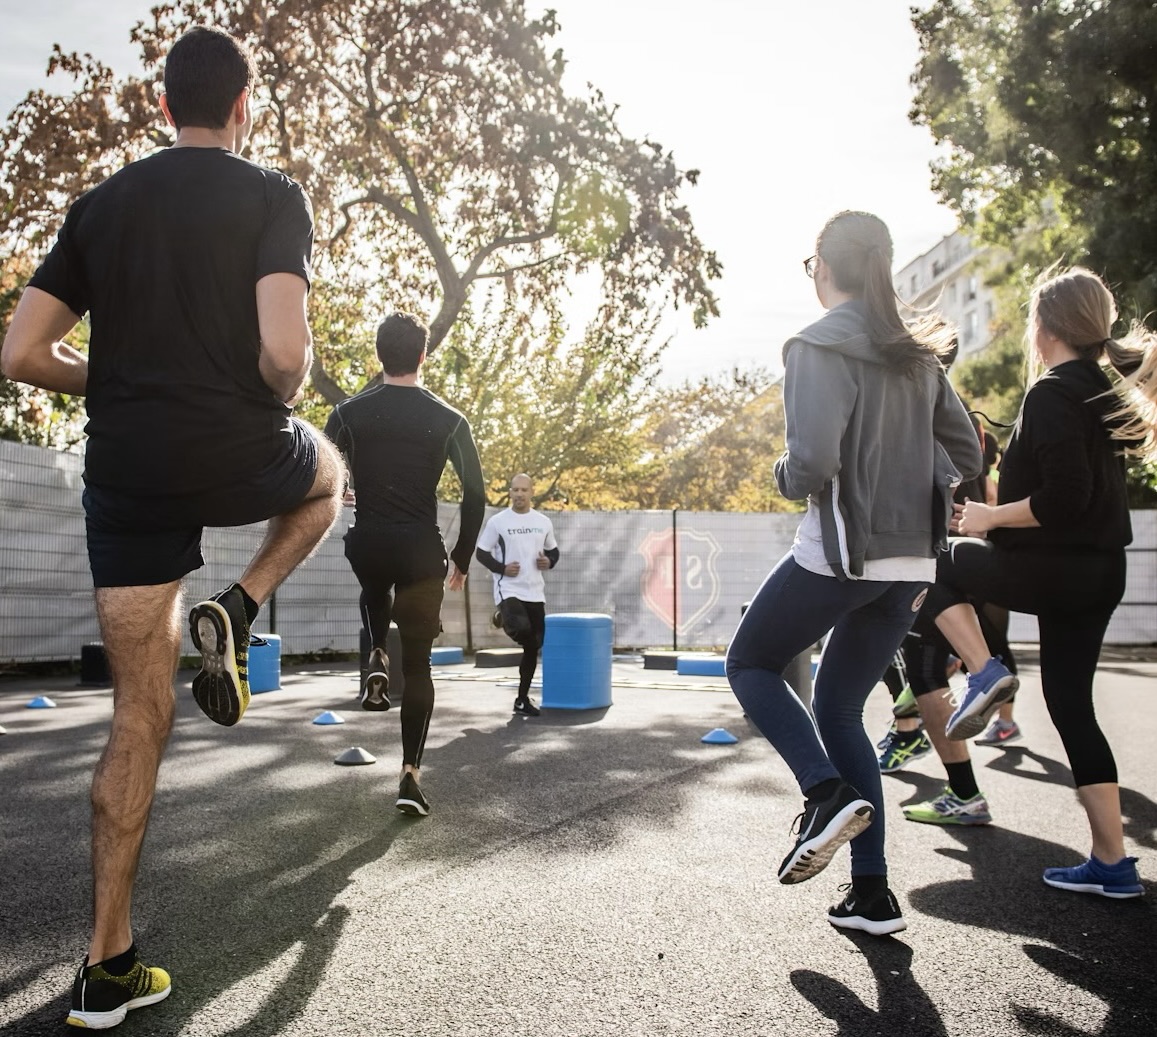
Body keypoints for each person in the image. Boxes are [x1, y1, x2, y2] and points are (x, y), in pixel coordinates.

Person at [0, 26, 344, 1029]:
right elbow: (284, 351)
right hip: (239, 450)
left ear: (163, 108)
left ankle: (107, 963)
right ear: (243, 110)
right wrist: (277, 387)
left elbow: (21, 351)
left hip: (129, 472)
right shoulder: (272, 195)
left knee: (136, 716)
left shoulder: (100, 208)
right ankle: (240, 603)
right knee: (326, 477)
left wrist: (105, 375)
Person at [724, 211, 981, 937]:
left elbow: (809, 464)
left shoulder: (814, 344)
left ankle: (822, 790)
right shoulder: (919, 356)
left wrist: (780, 472)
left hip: (842, 552)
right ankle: (871, 893)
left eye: (809, 266)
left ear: (824, 269)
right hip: (909, 563)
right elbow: (965, 452)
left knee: (748, 661)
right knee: (838, 708)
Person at [926, 266, 1157, 899]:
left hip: (1057, 568)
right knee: (1072, 708)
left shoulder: (1054, 391)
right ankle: (1112, 864)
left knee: (934, 563)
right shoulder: (1100, 390)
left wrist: (987, 517)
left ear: (1044, 326)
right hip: (1099, 571)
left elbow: (1064, 498)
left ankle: (984, 670)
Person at [324, 312, 485, 818]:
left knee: (373, 579)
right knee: (419, 668)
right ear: (423, 354)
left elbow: (322, 470)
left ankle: (374, 652)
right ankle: (410, 776)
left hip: (369, 543)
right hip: (421, 551)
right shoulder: (450, 419)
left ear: (379, 354)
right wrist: (460, 558)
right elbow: (476, 495)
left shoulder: (349, 413)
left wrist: (344, 487)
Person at [475, 473, 559, 716]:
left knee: (535, 645)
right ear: (510, 493)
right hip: (508, 589)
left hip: (535, 591)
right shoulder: (498, 522)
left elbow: (554, 551)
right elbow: (481, 553)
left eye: (524, 490)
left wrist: (548, 562)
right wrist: (502, 569)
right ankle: (505, 614)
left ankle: (521, 700)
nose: (519, 494)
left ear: (532, 492)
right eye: (515, 490)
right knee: (523, 633)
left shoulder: (543, 521)